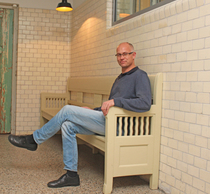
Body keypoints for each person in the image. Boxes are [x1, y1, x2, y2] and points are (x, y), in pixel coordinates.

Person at [8, 42, 152, 188]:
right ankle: (71, 175)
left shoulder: (140, 76)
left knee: (67, 110)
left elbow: (145, 103)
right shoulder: (120, 78)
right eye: (119, 54)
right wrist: (92, 111)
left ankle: (34, 140)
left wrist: (116, 101)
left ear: (133, 55)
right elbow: (108, 107)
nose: (122, 57)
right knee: (68, 125)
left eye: (125, 54)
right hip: (107, 121)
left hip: (119, 126)